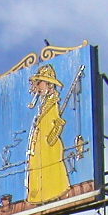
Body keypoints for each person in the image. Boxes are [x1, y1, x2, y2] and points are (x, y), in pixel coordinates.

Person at [25, 63, 72, 205]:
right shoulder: (43, 103)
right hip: (40, 147)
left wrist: (51, 136)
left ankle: (53, 194)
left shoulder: (53, 103)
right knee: (38, 172)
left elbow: (56, 122)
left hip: (48, 146)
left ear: (49, 85)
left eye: (40, 83)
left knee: (50, 171)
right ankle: (40, 197)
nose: (38, 87)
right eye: (37, 83)